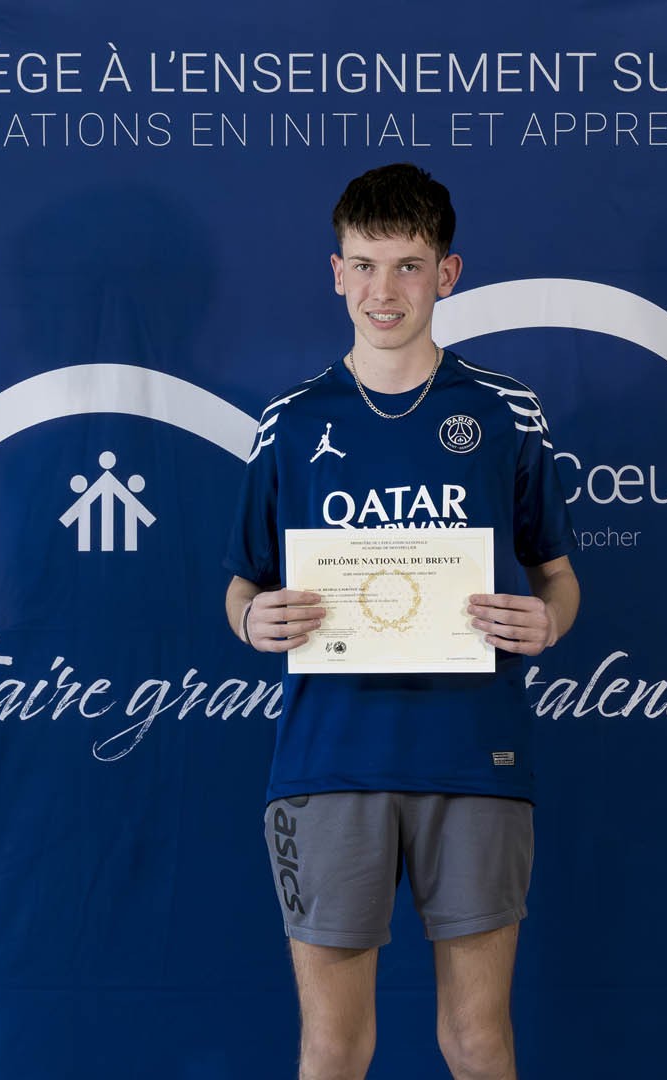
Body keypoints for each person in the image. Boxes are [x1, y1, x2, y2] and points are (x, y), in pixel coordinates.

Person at [223, 163, 580, 1080]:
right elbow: (243, 585)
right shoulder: (289, 421)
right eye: (365, 264)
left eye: (409, 265)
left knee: (477, 1040)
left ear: (447, 274)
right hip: (329, 759)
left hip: (475, 756)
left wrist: (547, 622)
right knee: (334, 1048)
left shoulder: (506, 411)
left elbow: (558, 578)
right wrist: (253, 620)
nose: (384, 290)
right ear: (336, 272)